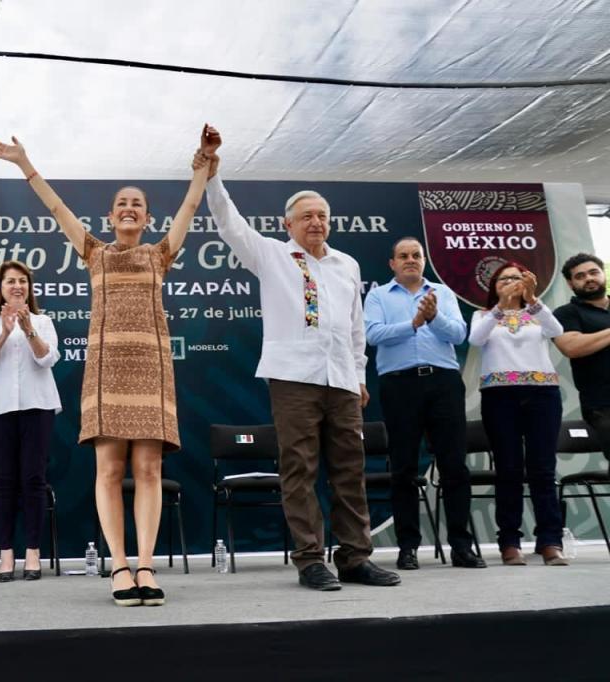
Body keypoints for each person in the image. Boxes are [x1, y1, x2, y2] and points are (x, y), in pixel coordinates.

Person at [0, 126, 213, 606]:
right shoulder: (94, 252)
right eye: (122, 203)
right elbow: (55, 209)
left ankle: (147, 565)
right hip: (107, 370)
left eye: (138, 204)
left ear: (148, 219)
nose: (129, 208)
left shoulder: (160, 255)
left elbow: (191, 209)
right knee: (109, 470)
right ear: (110, 217)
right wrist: (25, 163)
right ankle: (119, 567)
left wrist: (201, 170)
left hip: (151, 369)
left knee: (148, 468)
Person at [202, 129, 400, 591]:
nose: (315, 222)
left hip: (343, 381)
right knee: (300, 469)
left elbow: (355, 327)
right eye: (306, 216)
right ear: (287, 224)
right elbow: (229, 224)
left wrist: (358, 374)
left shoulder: (346, 265)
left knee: (351, 470)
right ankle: (311, 559)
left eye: (322, 216)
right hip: (294, 378)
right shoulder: (271, 255)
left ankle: (355, 557)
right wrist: (213, 176)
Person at [363, 237, 486, 570]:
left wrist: (433, 319)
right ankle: (407, 547)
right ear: (392, 264)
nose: (411, 260)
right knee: (402, 467)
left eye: (416, 255)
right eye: (403, 255)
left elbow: (459, 334)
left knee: (454, 466)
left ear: (423, 260)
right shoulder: (377, 296)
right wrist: (413, 323)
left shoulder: (441, 293)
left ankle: (462, 545)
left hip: (443, 383)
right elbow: (373, 335)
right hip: (399, 384)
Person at [468, 262, 567, 565]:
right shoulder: (483, 315)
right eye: (503, 279)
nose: (510, 282)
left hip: (542, 394)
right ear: (494, 286)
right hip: (500, 397)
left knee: (542, 469)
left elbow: (557, 331)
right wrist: (500, 306)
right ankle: (509, 541)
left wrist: (534, 299)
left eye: (516, 278)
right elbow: (476, 339)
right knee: (508, 469)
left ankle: (550, 540)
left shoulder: (537, 312)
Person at [0, 260, 61, 581]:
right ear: (0, 288)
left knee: (33, 479)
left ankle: (33, 552)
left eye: (22, 281)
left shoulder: (42, 320)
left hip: (38, 407)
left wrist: (27, 329)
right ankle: (6, 552)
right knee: (5, 481)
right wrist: (5, 332)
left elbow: (48, 358)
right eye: (10, 281)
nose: (17, 286)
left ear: (29, 288)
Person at [552, 253, 610, 472]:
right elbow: (572, 347)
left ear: (603, 274)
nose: (589, 278)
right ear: (570, 283)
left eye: (594, 272)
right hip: (602, 406)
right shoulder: (566, 313)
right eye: (580, 276)